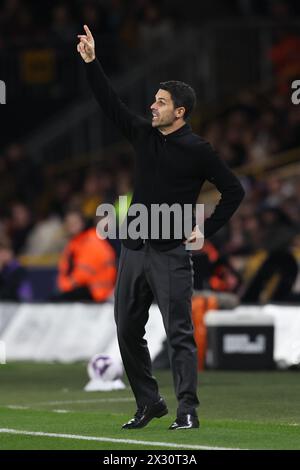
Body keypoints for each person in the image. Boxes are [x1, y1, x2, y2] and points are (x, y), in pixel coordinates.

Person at [77, 25, 245, 430]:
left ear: (180, 112)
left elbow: (233, 190)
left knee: (179, 333)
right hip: (134, 249)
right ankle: (149, 401)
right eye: (154, 100)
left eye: (161, 102)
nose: (152, 106)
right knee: (126, 329)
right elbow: (110, 104)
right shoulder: (143, 135)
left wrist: (206, 229)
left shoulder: (198, 150)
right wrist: (91, 63)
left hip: (171, 252)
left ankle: (188, 409)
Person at [53, 209, 116, 302]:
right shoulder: (75, 243)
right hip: (86, 290)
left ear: (83, 223)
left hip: (96, 292)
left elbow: (83, 274)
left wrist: (65, 286)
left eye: (75, 222)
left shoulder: (91, 241)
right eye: (69, 223)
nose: (72, 226)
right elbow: (65, 269)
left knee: (55, 300)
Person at [0, 235, 33, 301]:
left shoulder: (18, 270)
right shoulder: (3, 269)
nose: (2, 255)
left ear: (11, 253)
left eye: (4, 252)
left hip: (15, 306)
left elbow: (24, 295)